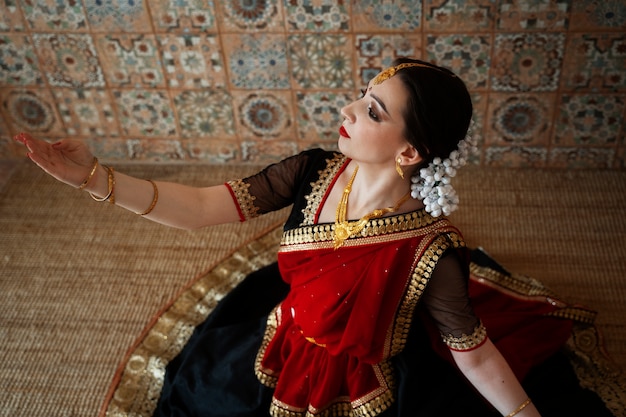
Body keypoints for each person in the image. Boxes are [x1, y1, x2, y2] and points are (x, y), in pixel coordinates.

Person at [13, 58, 613, 417]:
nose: (349, 109)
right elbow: (201, 207)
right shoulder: (313, 170)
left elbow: (474, 353)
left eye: (374, 111)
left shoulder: (431, 254)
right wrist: (92, 178)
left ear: (409, 151)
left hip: (365, 378)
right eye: (363, 94)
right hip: (283, 339)